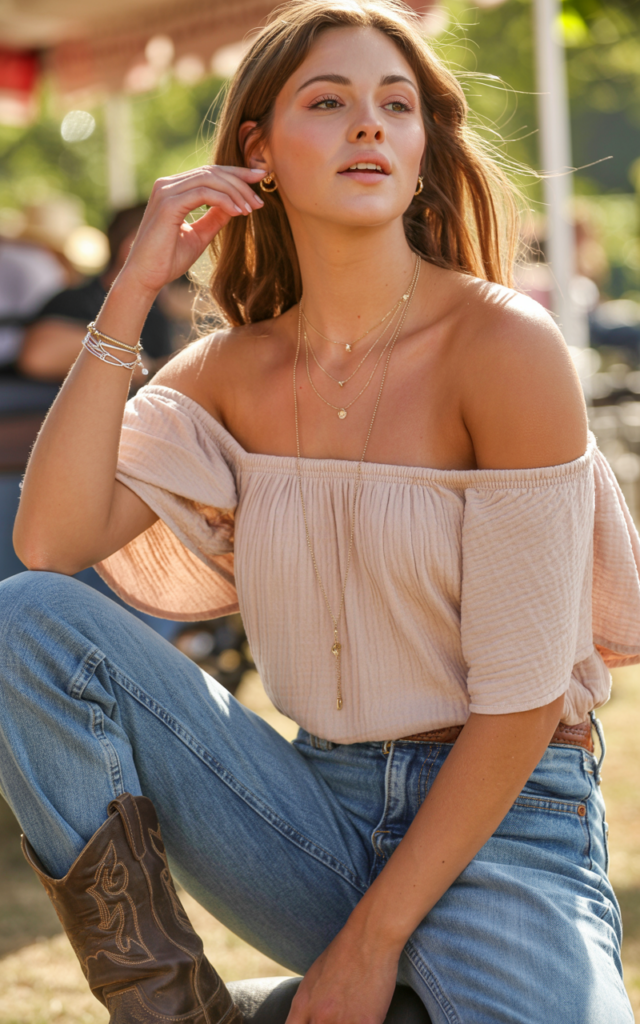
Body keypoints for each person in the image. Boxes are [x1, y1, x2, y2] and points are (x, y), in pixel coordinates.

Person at [0, 2, 638, 1022]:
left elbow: (521, 700)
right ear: (256, 148)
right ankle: (178, 1009)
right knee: (26, 619)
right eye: (328, 101)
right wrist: (129, 289)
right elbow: (50, 542)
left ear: (425, 145)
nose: (369, 126)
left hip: (503, 824)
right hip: (309, 812)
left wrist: (366, 950)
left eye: (395, 105)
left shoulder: (502, 347)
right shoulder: (230, 373)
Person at [18, 204, 174, 384]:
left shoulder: (158, 308)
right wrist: (133, 360)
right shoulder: (74, 302)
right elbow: (38, 358)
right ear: (132, 245)